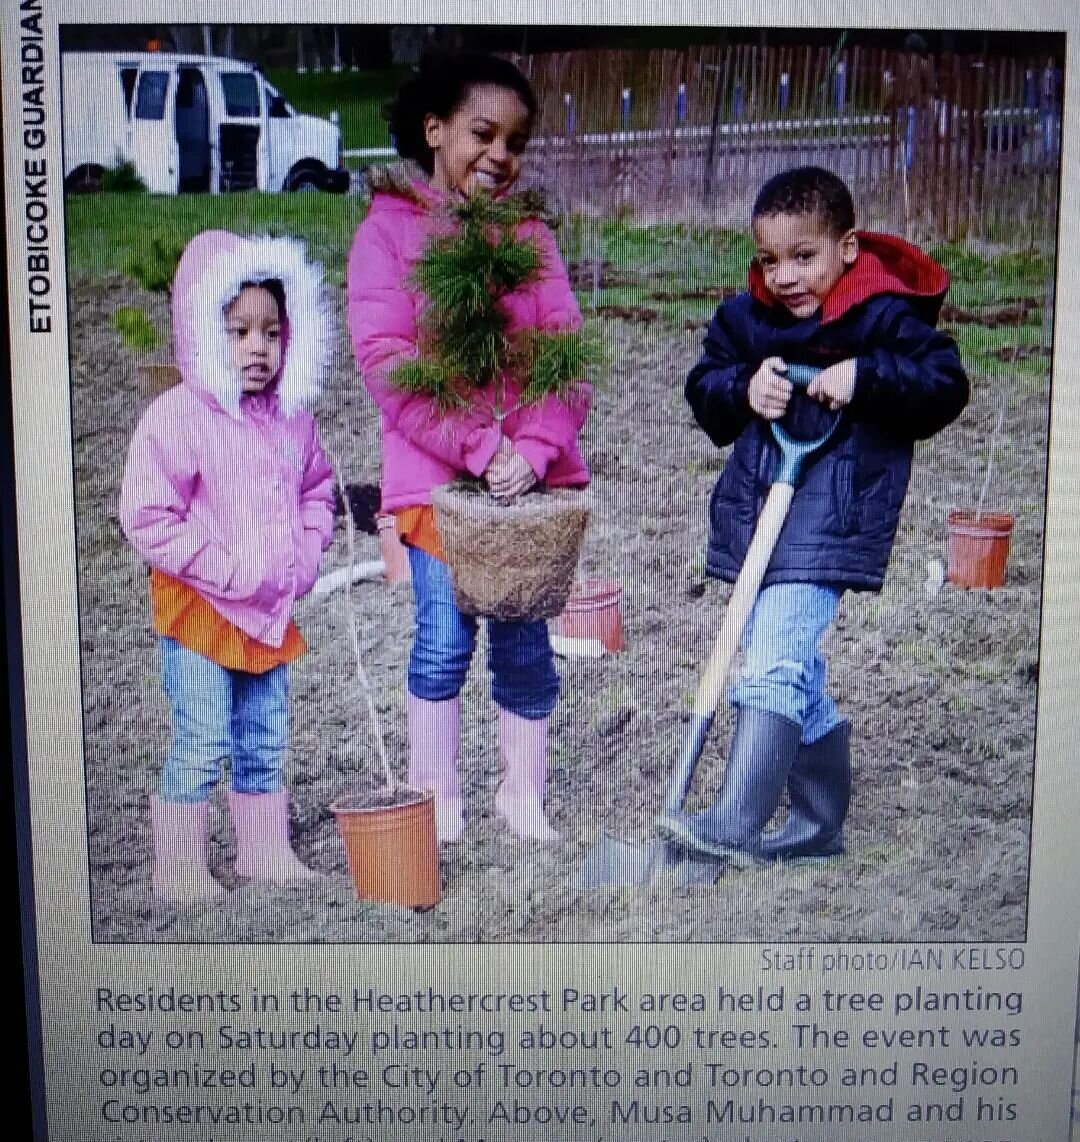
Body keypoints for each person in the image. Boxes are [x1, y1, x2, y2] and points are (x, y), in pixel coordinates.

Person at [658, 165, 969, 863]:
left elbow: (944, 384)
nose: (786, 276)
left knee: (770, 661)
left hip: (833, 519)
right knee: (791, 664)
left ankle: (736, 821)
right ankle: (819, 824)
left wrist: (866, 375)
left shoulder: (885, 317)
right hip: (760, 513)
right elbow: (703, 387)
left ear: (848, 248)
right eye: (770, 260)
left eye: (805, 256)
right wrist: (744, 387)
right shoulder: (746, 321)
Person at [346, 51, 590, 844]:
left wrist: (539, 447)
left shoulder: (530, 238)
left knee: (524, 642)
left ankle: (524, 797)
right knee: (444, 639)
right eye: (482, 133)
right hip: (434, 485)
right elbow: (389, 364)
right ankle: (437, 793)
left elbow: (568, 358)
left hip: (528, 487)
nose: (500, 156)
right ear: (435, 128)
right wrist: (483, 448)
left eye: (515, 142)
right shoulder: (387, 232)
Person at [120, 230, 336, 902]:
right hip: (202, 613)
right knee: (202, 739)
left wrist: (303, 556)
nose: (257, 348)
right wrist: (224, 570)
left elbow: (317, 490)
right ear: (201, 331)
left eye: (271, 332)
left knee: (264, 736)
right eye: (238, 330)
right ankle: (179, 865)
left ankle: (263, 850)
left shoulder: (292, 420)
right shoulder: (177, 418)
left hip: (268, 611)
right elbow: (148, 515)